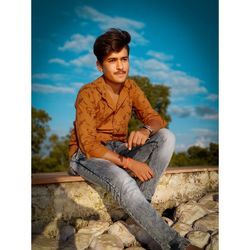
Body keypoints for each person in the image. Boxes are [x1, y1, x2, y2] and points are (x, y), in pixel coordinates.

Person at [68, 28, 201, 250]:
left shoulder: (131, 87)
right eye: (112, 60)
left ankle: (141, 209)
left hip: (117, 149)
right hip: (86, 154)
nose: (120, 66)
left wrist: (146, 130)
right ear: (100, 66)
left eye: (124, 59)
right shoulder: (87, 93)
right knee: (124, 180)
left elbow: (155, 119)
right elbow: (89, 145)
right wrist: (129, 163)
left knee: (166, 136)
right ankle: (177, 245)